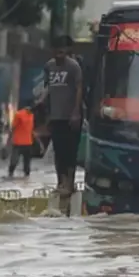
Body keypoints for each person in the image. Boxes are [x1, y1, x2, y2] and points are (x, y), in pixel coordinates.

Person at [43, 35, 83, 194]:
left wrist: (76, 111)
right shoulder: (48, 66)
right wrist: (45, 110)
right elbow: (47, 88)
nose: (59, 52)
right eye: (56, 49)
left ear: (66, 51)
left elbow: (79, 87)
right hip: (55, 115)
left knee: (70, 150)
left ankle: (70, 183)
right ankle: (61, 183)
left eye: (62, 49)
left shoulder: (74, 66)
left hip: (71, 116)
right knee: (58, 151)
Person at [8, 105, 34, 179]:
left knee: (27, 162)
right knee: (15, 160)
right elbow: (13, 127)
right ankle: (10, 174)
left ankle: (26, 177)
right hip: (18, 142)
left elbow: (30, 129)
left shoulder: (31, 115)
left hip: (28, 142)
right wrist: (9, 139)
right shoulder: (19, 114)